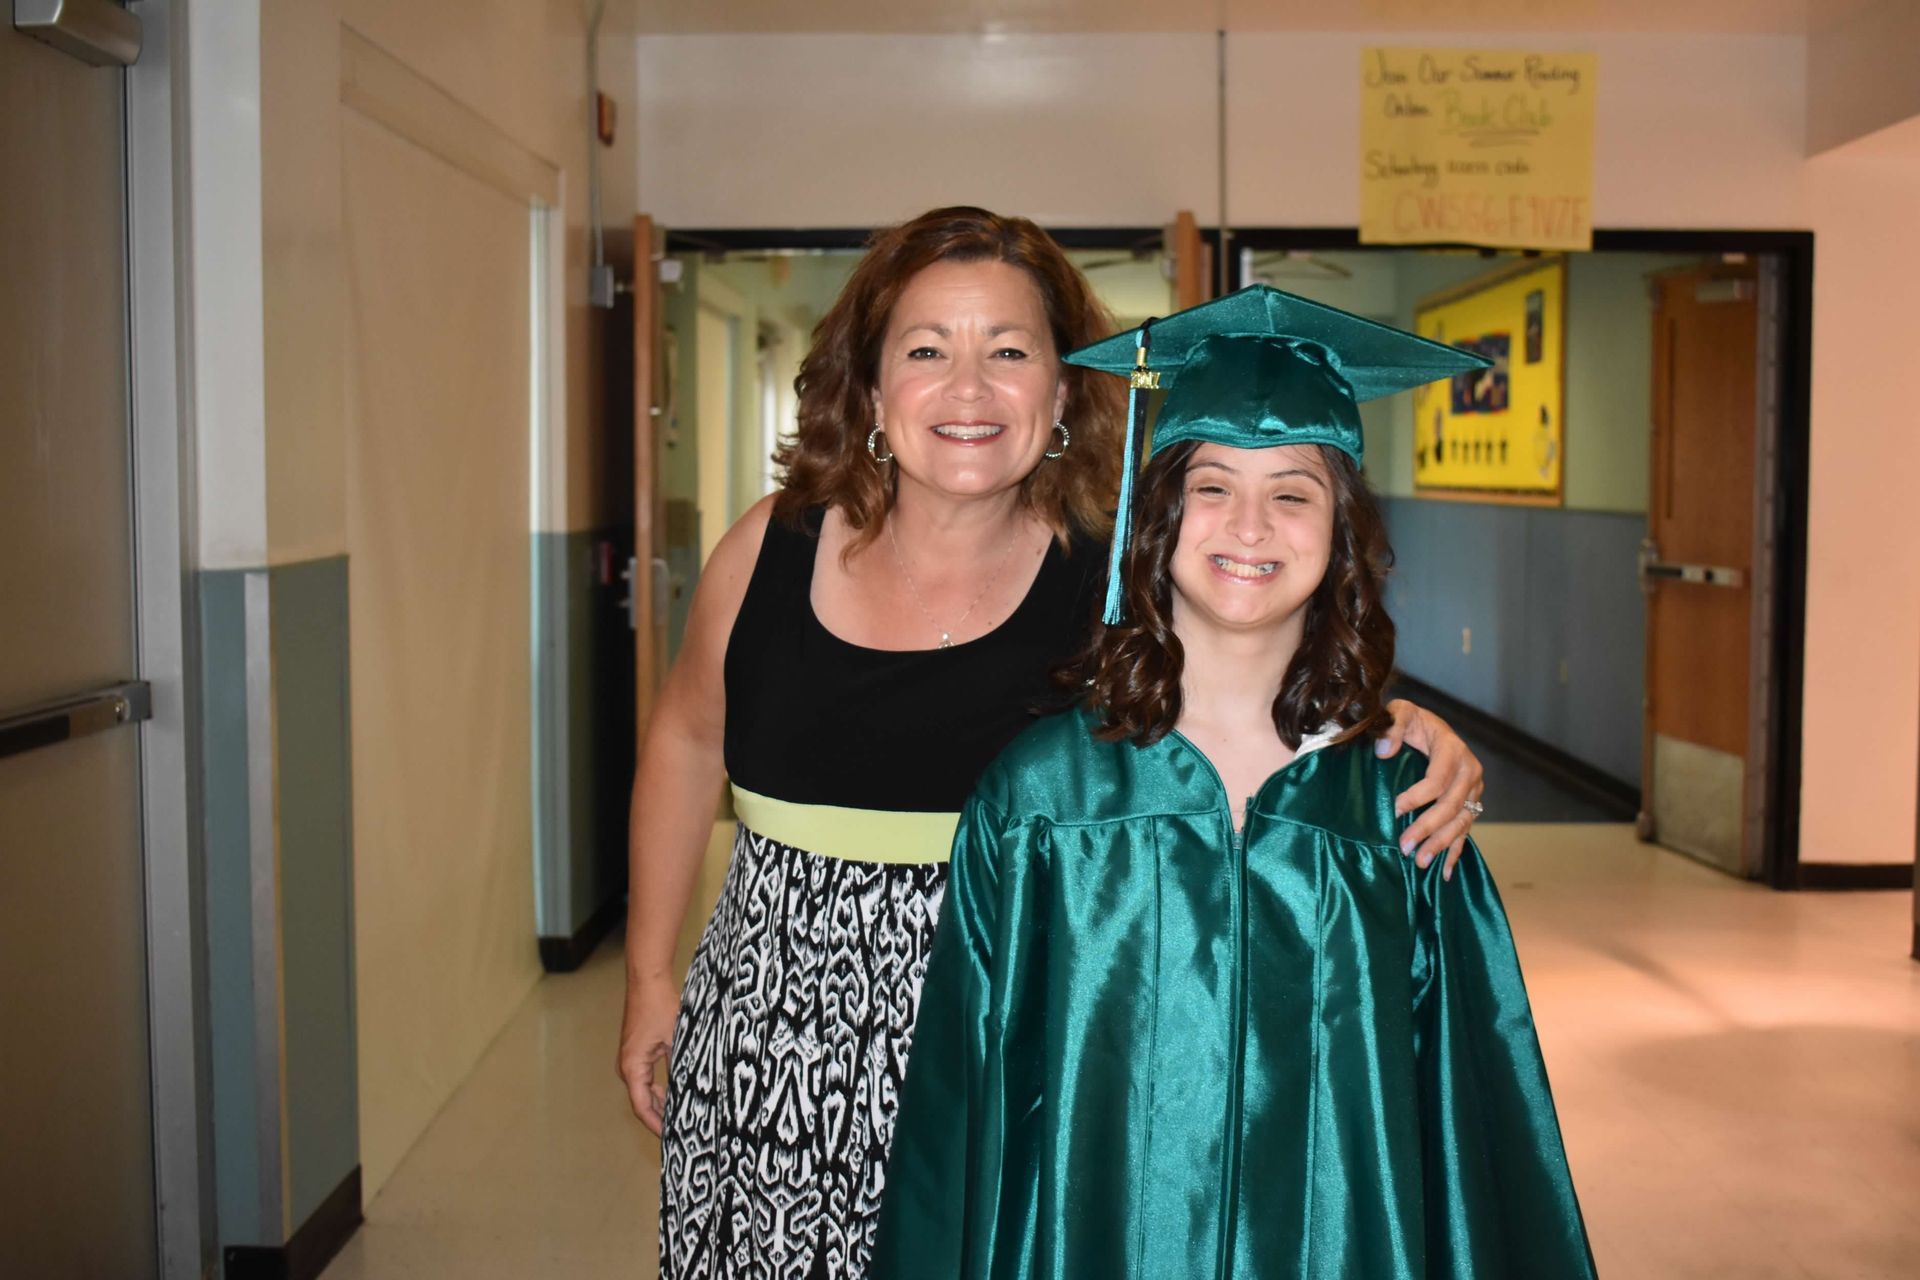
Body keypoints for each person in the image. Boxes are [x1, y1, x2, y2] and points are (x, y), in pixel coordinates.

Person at [617, 209, 1490, 1280]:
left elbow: (1267, 646)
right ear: (872, 383)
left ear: (1064, 390)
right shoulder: (768, 545)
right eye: (928, 349)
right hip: (772, 1042)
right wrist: (650, 974)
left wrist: (1404, 728)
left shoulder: (1119, 571)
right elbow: (684, 734)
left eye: (1011, 351)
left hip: (1029, 1047)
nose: (970, 388)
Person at [872, 287, 1595, 1279]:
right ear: (1160, 514)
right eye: (1212, 486)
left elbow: (1470, 1125)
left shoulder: (1402, 811)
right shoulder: (1044, 802)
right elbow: (963, 1115)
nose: (1249, 524)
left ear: (1340, 531)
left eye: (1294, 492)